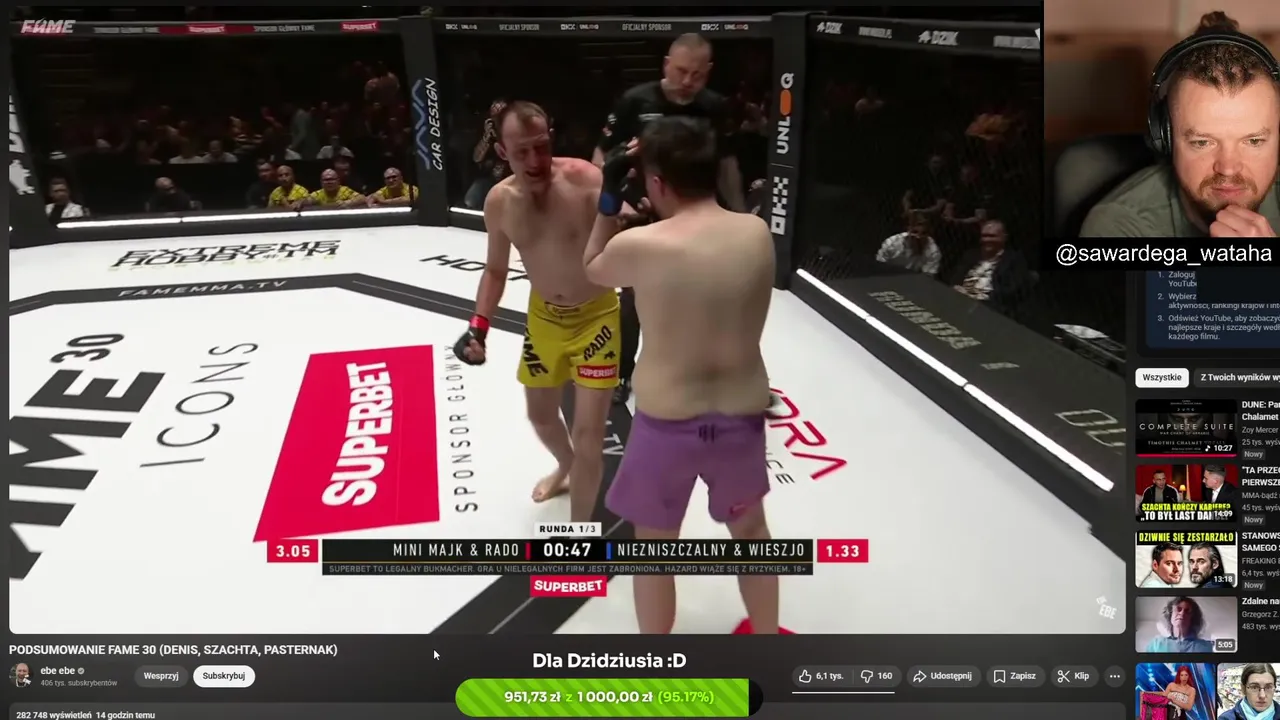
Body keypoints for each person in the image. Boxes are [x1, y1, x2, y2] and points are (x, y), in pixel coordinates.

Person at [584, 117, 779, 634]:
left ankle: (656, 661)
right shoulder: (756, 232)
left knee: (654, 548)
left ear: (656, 182)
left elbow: (592, 266)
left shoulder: (642, 245)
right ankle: (768, 641)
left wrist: (609, 197)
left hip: (666, 422)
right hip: (740, 418)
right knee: (752, 533)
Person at [453, 101, 619, 521]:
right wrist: (478, 328)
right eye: (521, 151)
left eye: (541, 147)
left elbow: (624, 234)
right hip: (544, 318)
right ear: (502, 152)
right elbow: (495, 270)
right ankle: (566, 466)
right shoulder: (499, 202)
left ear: (552, 139)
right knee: (541, 417)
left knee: (589, 438)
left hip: (597, 317)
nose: (534, 160)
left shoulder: (585, 179)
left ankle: (578, 534)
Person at [593, 33, 747, 404]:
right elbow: (601, 156)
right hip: (643, 210)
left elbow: (727, 164)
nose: (687, 81)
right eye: (680, 71)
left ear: (709, 72)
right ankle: (622, 372)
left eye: (697, 74)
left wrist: (740, 214)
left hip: (699, 214)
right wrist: (615, 202)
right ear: (666, 65)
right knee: (633, 298)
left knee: (706, 294)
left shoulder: (714, 107)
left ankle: (713, 373)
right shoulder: (636, 101)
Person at [1080, 12, 1280, 237]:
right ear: (1165, 138)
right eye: (1202, 142)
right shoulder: (1117, 226)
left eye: (1254, 141)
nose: (1228, 168)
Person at [1144, 596, 1214, 653]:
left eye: (1187, 611)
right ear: (1170, 614)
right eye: (1178, 609)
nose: (1182, 613)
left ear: (1193, 618)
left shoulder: (1206, 647)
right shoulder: (1156, 644)